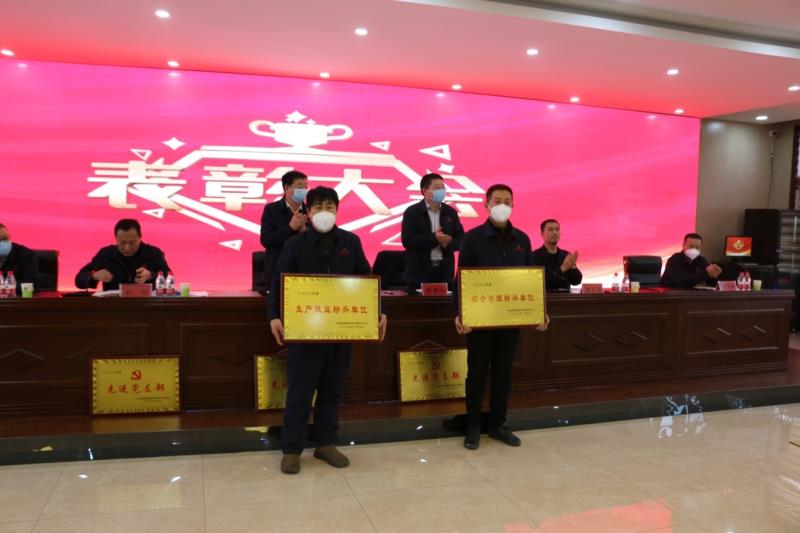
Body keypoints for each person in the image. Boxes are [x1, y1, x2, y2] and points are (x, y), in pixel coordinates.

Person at [268, 186, 387, 475]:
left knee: (333, 390)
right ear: (308, 212)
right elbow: (277, 283)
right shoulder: (295, 245)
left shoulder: (350, 241)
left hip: (339, 331)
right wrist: (273, 316)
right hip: (305, 331)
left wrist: (379, 310)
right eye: (319, 207)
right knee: (300, 392)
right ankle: (291, 449)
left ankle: (326, 444)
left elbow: (367, 280)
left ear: (337, 211)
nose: (325, 213)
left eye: (330, 207)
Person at [454, 184, 549, 450]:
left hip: (510, 320)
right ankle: (473, 426)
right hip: (479, 321)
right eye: (497, 201)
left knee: (503, 375)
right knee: (476, 375)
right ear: (486, 205)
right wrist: (459, 313)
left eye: (507, 201)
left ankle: (498, 425)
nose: (502, 205)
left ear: (513, 206)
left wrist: (540, 310)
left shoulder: (522, 240)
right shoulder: (472, 238)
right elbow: (461, 279)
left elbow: (531, 278)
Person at [401, 173, 464, 292]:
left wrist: (448, 242)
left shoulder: (450, 212)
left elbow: (461, 239)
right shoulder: (412, 212)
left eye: (443, 187)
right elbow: (407, 240)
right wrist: (434, 238)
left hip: (444, 272)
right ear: (425, 191)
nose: (441, 191)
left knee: (443, 304)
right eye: (436, 187)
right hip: (418, 273)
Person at [75, 219, 171, 290]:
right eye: (122, 243)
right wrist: (95, 276)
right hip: (115, 306)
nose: (127, 247)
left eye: (132, 243)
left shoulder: (153, 253)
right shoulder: (106, 254)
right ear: (116, 238)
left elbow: (169, 278)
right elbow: (78, 280)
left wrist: (151, 275)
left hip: (146, 306)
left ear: (140, 237)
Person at [259, 170, 308, 291]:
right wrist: (290, 228)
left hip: (304, 273)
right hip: (277, 272)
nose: (304, 190)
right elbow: (266, 240)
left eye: (306, 187)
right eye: (300, 187)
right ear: (286, 188)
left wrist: (306, 233)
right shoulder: (272, 209)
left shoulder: (310, 210)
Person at [532, 219, 582, 291]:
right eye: (550, 229)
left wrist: (573, 267)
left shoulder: (566, 255)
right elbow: (538, 281)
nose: (554, 232)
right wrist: (562, 268)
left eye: (557, 229)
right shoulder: (534, 256)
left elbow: (576, 281)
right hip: (544, 297)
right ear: (542, 234)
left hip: (565, 297)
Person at [0, 223, 39, 294]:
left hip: (16, 299)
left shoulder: (26, 255)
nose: (2, 243)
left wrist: (3, 286)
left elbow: (31, 285)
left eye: (5, 238)